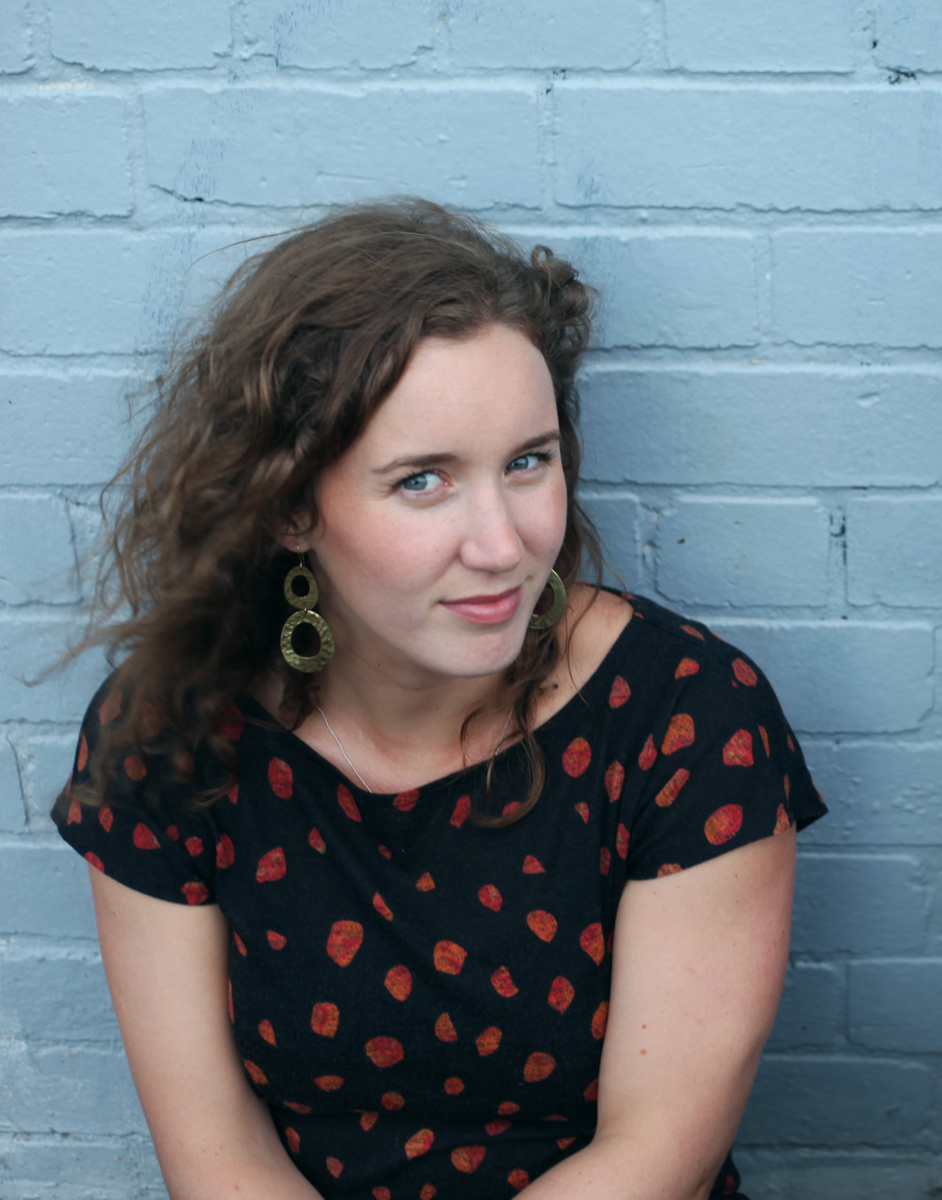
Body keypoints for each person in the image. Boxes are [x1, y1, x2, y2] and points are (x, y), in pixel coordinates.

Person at [54, 199, 825, 1200]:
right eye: (423, 482)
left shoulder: (683, 716)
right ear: (291, 504)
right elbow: (216, 1153)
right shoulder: (173, 730)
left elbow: (654, 1155)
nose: (502, 544)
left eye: (527, 463)